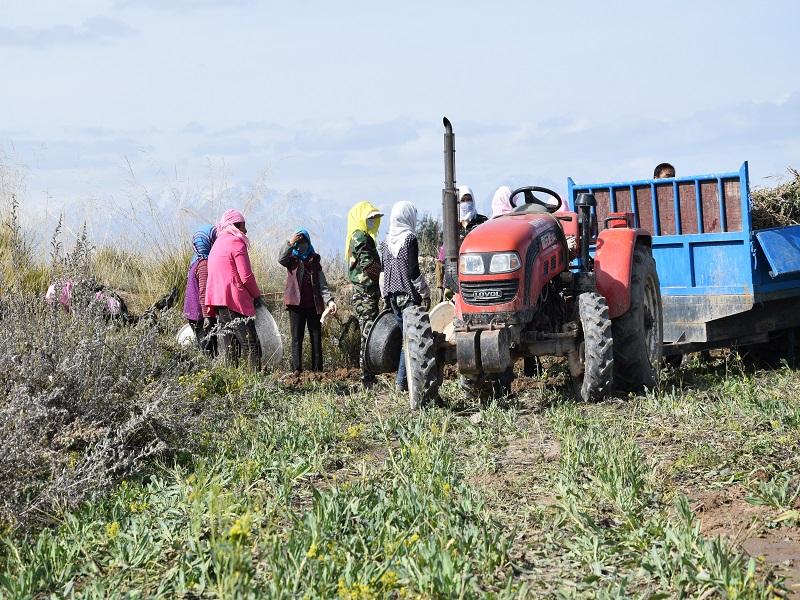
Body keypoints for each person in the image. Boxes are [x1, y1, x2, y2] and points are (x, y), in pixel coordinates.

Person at [380, 201, 431, 393]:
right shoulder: (409, 239)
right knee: (409, 341)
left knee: (405, 339)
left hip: (393, 296)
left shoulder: (385, 242)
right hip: (408, 296)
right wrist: (425, 291)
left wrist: (385, 295)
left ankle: (403, 382)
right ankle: (402, 383)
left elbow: (383, 274)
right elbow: (412, 270)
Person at [206, 208, 264, 371]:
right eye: (243, 226)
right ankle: (256, 387)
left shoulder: (217, 243)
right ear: (236, 225)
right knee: (252, 346)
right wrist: (257, 296)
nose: (245, 230)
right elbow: (246, 276)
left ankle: (231, 387)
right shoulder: (237, 242)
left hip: (219, 302)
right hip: (234, 301)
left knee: (230, 348)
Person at [279, 228, 337, 373]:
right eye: (299, 242)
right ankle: (296, 371)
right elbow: (281, 258)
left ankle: (318, 372)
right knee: (297, 339)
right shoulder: (291, 260)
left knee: (316, 338)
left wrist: (329, 301)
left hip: (313, 306)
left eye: (304, 241)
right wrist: (290, 243)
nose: (301, 245)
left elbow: (322, 284)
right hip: (296, 306)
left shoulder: (314, 260)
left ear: (308, 242)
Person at [345, 201, 383, 386]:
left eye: (375, 218)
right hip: (365, 292)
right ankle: (367, 375)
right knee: (368, 332)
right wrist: (383, 278)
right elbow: (367, 264)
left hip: (368, 292)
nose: (373, 221)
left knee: (368, 330)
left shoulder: (364, 236)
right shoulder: (360, 236)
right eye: (370, 218)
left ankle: (368, 374)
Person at [437, 184, 488, 294]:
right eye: (463, 200)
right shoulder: (452, 225)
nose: (466, 203)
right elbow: (443, 253)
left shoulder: (482, 222)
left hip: (477, 269)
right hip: (456, 272)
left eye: (468, 199)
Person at [183, 224, 217, 355]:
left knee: (203, 346)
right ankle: (210, 373)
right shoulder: (204, 264)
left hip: (193, 313)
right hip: (201, 314)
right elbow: (203, 291)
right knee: (209, 349)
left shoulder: (195, 261)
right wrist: (208, 316)